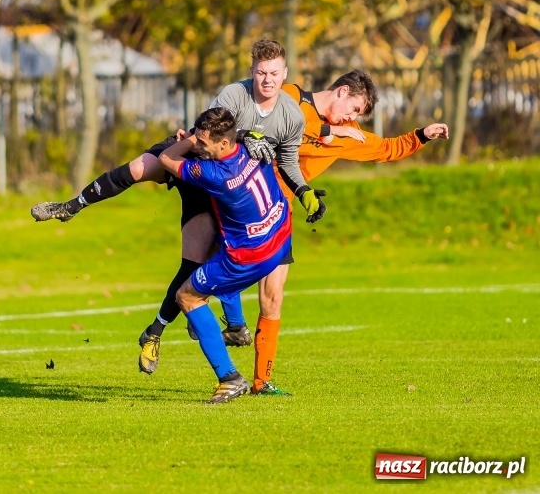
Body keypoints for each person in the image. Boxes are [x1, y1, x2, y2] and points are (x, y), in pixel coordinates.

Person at [31, 40, 326, 374]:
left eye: (274, 73)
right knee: (140, 168)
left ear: (285, 74)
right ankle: (73, 205)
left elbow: (287, 160)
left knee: (195, 260)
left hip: (214, 182)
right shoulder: (233, 94)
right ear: (252, 72)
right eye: (261, 72)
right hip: (192, 156)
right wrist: (247, 135)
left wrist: (304, 191)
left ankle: (155, 332)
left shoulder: (290, 115)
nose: (267, 79)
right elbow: (209, 135)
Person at [189, 70, 449, 396]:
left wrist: (422, 135)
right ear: (342, 91)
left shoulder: (346, 133)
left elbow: (385, 148)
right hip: (241, 202)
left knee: (273, 297)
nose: (353, 118)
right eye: (354, 109)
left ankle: (260, 381)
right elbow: (260, 125)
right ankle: (224, 328)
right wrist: (328, 129)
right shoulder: (291, 97)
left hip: (277, 215)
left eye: (356, 116)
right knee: (218, 271)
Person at [157, 106, 293, 403]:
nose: (200, 147)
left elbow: (166, 159)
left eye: (205, 143)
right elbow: (253, 137)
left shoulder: (216, 173)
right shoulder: (255, 146)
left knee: (188, 296)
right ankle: (245, 346)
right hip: (278, 236)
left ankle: (229, 378)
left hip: (247, 256)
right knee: (260, 295)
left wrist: (189, 140)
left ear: (223, 143)